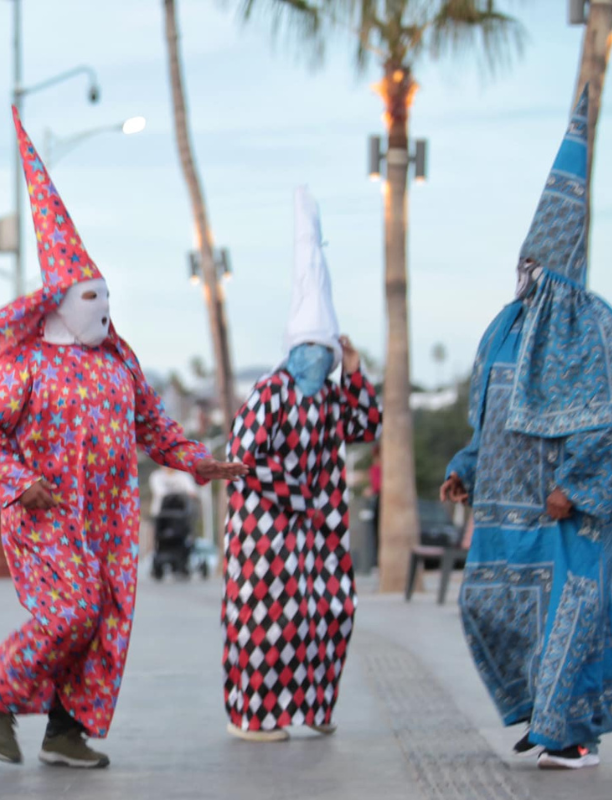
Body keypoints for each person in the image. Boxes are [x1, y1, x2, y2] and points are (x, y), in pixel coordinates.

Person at [0, 108, 247, 769]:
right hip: (46, 512)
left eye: (108, 297)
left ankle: (65, 730)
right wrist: (14, 485)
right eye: (91, 297)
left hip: (110, 514)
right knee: (73, 611)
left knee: (104, 619)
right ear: (60, 299)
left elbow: (154, 424)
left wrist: (201, 463)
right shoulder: (23, 364)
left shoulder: (119, 362)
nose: (104, 308)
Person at [440, 89, 612, 771]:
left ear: (560, 265)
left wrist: (577, 486)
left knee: (569, 621)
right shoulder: (507, 326)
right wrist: (464, 467)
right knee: (485, 608)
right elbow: (488, 417)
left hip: (560, 515)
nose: (525, 273)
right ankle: (541, 716)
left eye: (536, 264)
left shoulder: (595, 328)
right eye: (523, 261)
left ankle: (571, 733)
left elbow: (611, 422)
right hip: (503, 514)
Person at [222, 187, 381, 742]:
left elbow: (367, 427)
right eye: (308, 349)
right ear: (292, 351)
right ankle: (256, 714)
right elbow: (242, 458)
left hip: (320, 537)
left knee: (328, 614)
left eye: (326, 352)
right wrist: (300, 500)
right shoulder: (269, 393)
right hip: (266, 535)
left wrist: (356, 372)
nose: (317, 360)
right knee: (269, 621)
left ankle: (314, 704)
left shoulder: (334, 398)